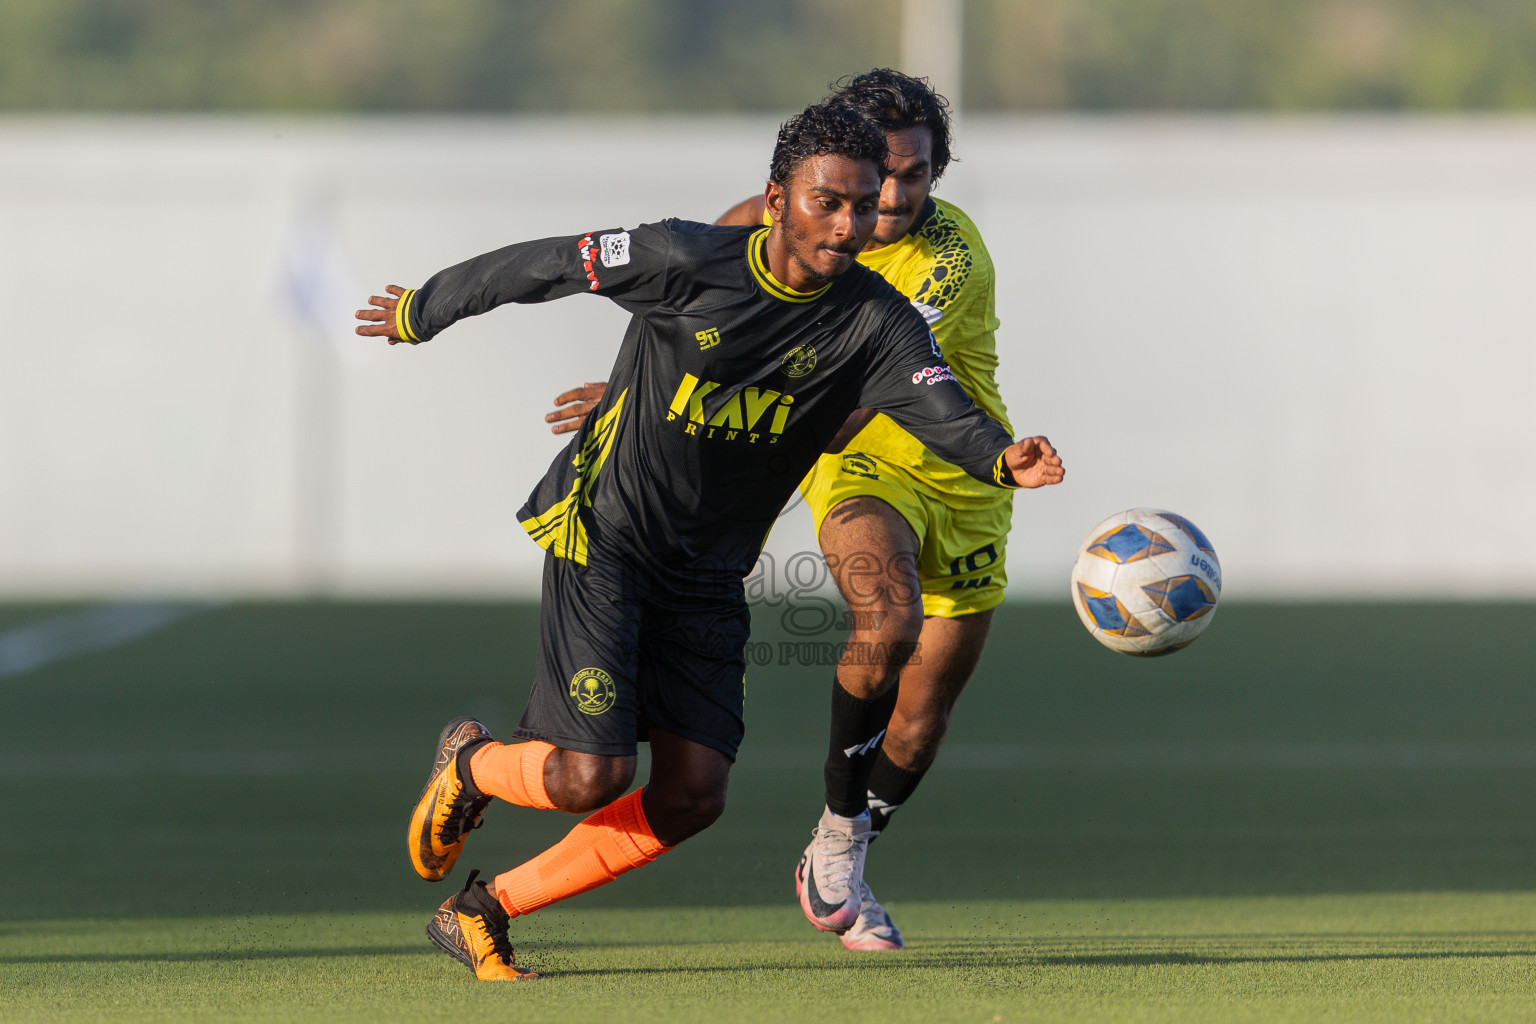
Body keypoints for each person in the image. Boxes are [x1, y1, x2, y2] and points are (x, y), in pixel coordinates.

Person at [357, 101, 1063, 981]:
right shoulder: (683, 256)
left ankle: (483, 909)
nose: (850, 225)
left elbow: (936, 400)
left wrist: (1004, 458)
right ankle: (471, 762)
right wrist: (425, 308)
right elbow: (546, 265)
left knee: (693, 795)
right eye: (829, 202)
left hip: (709, 571)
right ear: (776, 200)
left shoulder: (876, 316)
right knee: (592, 777)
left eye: (864, 204)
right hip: (606, 537)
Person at [545, 70, 1021, 951]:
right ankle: (841, 848)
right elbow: (674, 313)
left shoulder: (949, 261)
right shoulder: (768, 224)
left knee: (921, 719)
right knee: (890, 616)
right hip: (858, 463)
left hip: (960, 473)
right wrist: (627, 398)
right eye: (881, 174)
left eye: (916, 175)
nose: (892, 196)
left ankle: (843, 843)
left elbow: (854, 390)